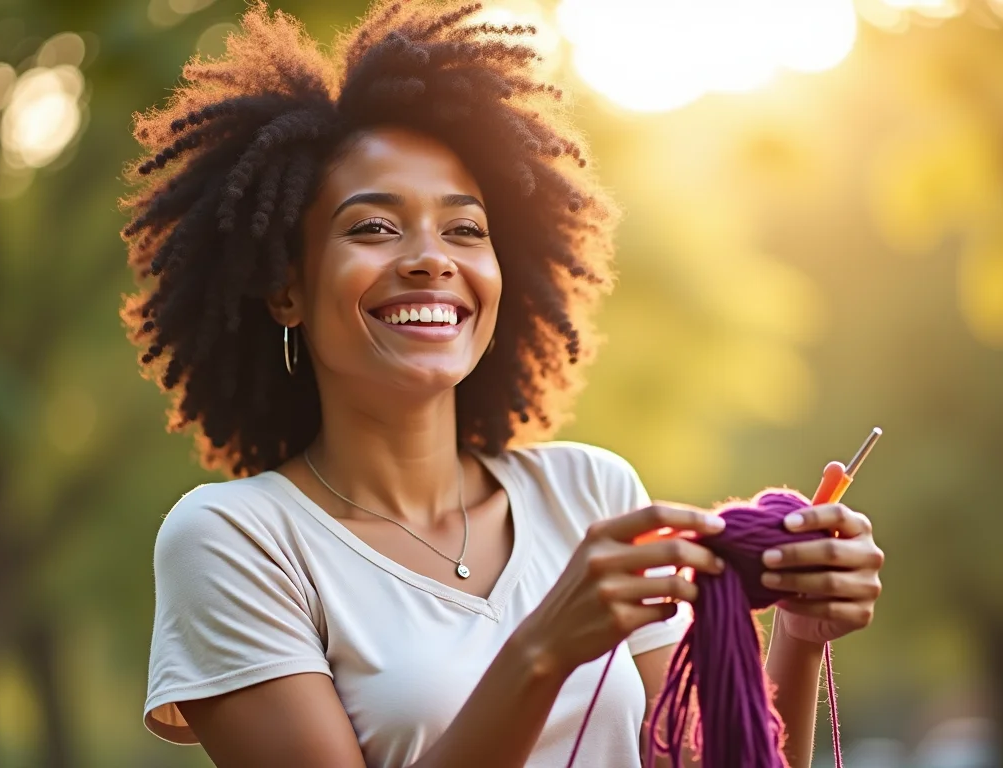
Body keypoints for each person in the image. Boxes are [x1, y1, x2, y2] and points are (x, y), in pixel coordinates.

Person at [122, 3, 886, 767]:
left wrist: (797, 637)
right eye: (374, 228)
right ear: (286, 288)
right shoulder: (236, 541)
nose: (431, 259)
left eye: (465, 230)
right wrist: (541, 651)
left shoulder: (589, 491)